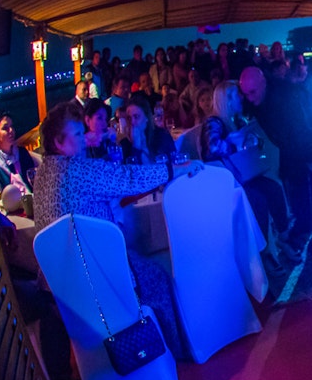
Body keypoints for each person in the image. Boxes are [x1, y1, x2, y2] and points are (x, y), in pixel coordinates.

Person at [35, 103, 196, 356]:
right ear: (59, 142)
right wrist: (173, 169)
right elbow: (128, 178)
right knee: (158, 277)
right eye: (78, 135)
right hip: (98, 278)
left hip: (60, 285)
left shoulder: (44, 173)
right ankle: (172, 353)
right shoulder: (76, 170)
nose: (85, 141)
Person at [239, 66, 312, 257]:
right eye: (245, 93)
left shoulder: (285, 97)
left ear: (263, 83)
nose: (249, 98)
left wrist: (310, 159)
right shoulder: (258, 100)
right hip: (294, 145)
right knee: (295, 185)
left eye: (253, 92)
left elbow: (303, 129)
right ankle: (303, 225)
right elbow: (286, 137)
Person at [202, 81, 292, 255]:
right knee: (257, 200)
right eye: (237, 95)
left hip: (245, 174)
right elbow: (212, 147)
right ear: (227, 100)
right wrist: (237, 147)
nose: (242, 98)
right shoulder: (214, 122)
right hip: (227, 179)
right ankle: (263, 252)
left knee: (275, 189)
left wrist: (255, 142)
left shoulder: (238, 120)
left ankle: (282, 237)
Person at [0, 111, 41, 197]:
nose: (11, 130)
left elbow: (35, 180)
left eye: (11, 126)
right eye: (5, 128)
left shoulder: (22, 153)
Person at [118, 94, 175, 165]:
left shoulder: (162, 136)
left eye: (136, 116)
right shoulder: (125, 145)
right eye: (129, 118)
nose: (132, 122)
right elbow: (132, 172)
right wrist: (136, 147)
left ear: (146, 118)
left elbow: (172, 164)